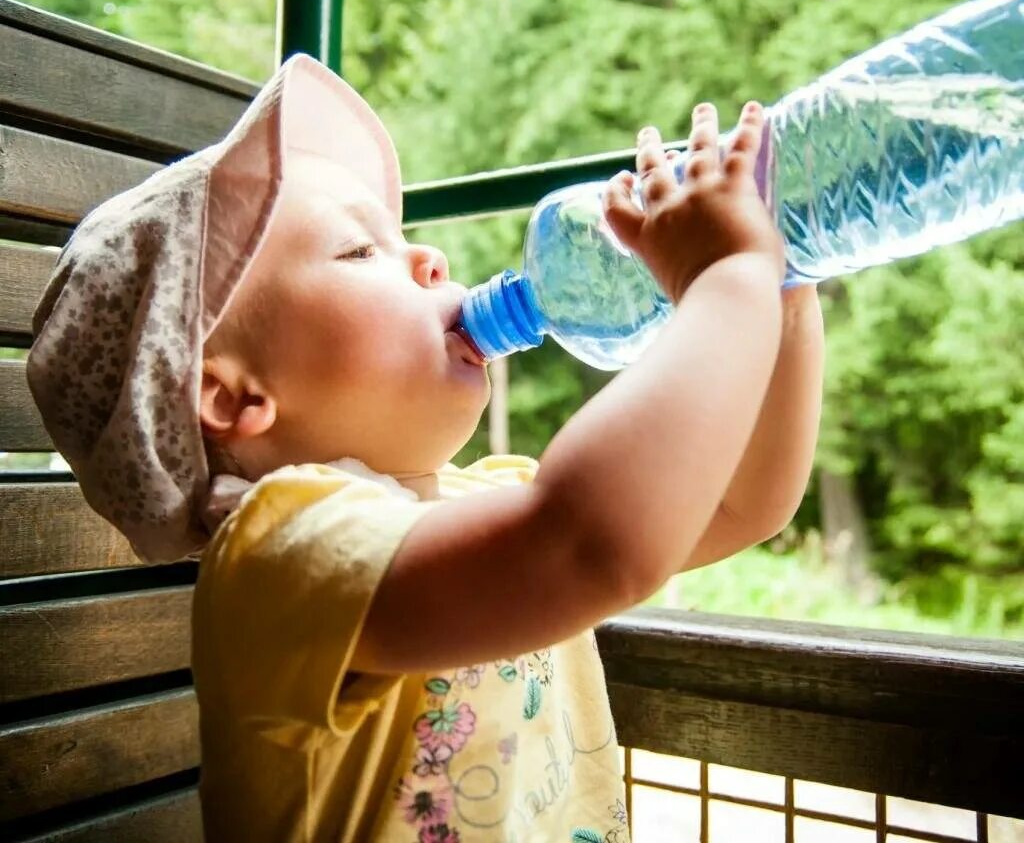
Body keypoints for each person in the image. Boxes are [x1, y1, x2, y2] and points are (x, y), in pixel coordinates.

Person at [27, 53, 824, 843]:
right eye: (359, 251)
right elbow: (592, 540)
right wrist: (729, 279)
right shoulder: (277, 558)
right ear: (233, 395)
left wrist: (785, 281)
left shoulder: (495, 497)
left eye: (400, 235)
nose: (430, 259)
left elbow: (745, 501)